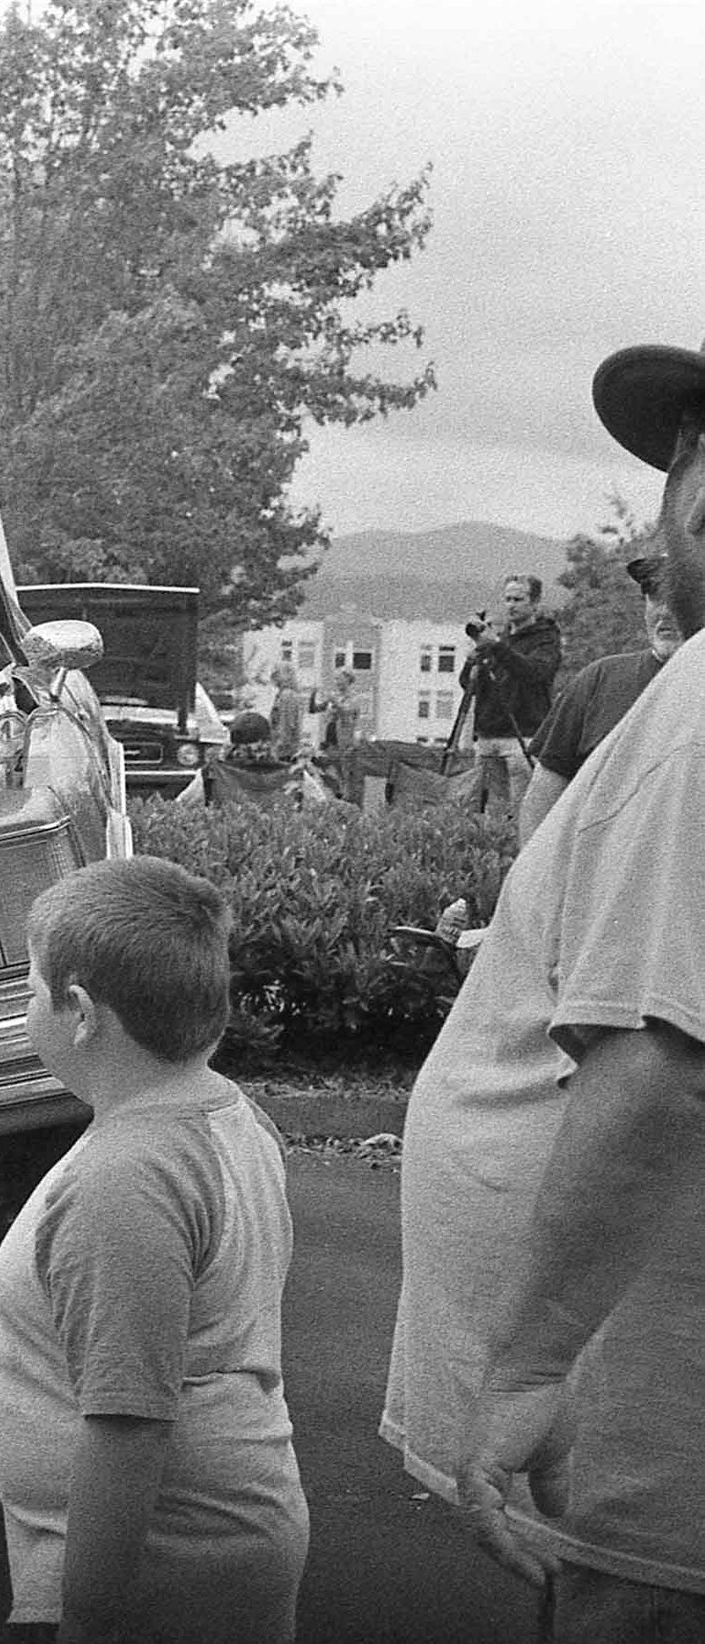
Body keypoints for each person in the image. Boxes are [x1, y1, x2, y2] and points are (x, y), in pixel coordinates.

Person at [383, 336, 705, 1639]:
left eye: (683, 458)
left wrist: (523, 1372)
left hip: (661, 1444)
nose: (668, 500)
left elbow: (665, 1073)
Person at [0, 856, 307, 1643]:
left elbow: (129, 1425)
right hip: (215, 1548)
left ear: (83, 1013)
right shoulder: (224, 1113)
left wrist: (90, 1621)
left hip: (159, 1576)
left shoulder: (126, 1178)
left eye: (31, 989)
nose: (25, 1006)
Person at [516, 554, 685, 839]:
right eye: (655, 597)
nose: (664, 611)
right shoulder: (600, 679)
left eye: (680, 597)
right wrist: (534, 878)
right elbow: (544, 794)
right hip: (600, 876)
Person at [456, 573, 562, 826]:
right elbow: (469, 685)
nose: (511, 605)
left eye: (518, 599)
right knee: (490, 818)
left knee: (523, 816)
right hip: (487, 737)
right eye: (507, 599)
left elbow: (533, 673)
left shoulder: (546, 639)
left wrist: (497, 648)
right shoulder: (499, 640)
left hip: (522, 737)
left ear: (534, 603)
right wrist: (473, 659)